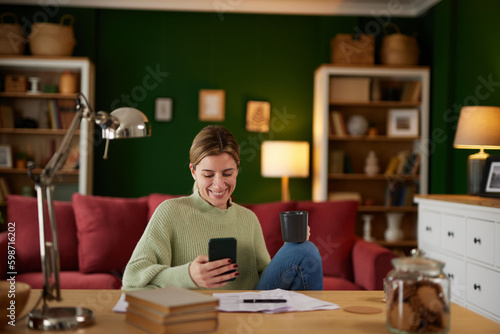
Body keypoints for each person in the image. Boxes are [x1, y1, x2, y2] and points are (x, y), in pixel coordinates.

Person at [122, 125, 323, 291]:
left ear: (237, 168)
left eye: (227, 173)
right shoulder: (171, 212)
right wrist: (188, 275)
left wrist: (293, 249)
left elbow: (268, 278)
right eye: (208, 175)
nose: (219, 185)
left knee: (305, 249)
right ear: (193, 171)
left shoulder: (248, 218)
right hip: (196, 315)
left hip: (248, 311)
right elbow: (131, 280)